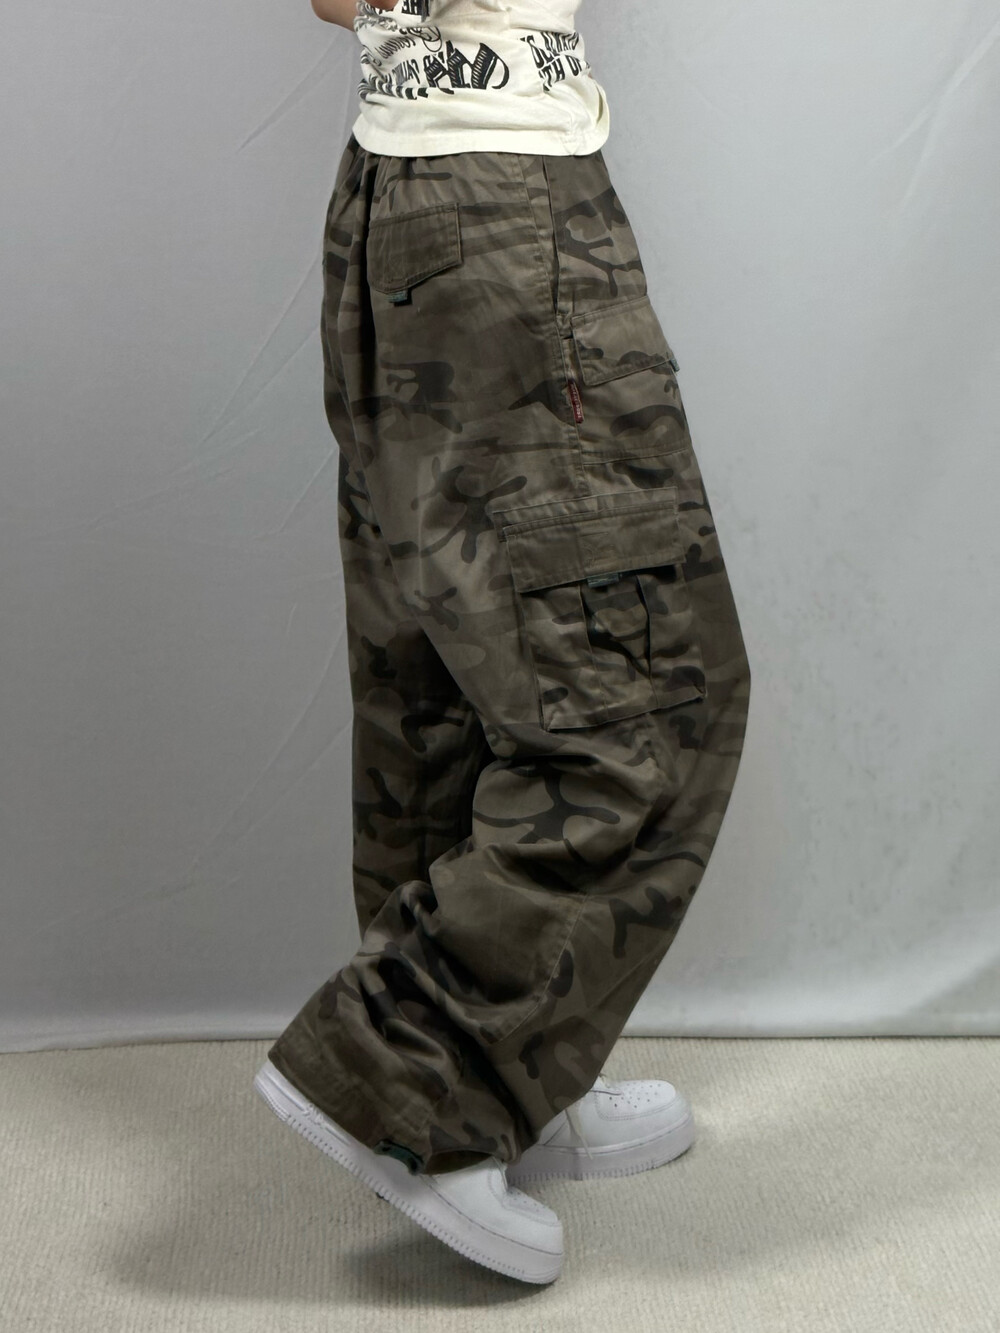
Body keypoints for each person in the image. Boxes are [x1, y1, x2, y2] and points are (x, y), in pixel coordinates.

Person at [254, 0, 751, 1285]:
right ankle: (415, 1076)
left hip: (422, 190)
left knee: (449, 684)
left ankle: (496, 1090)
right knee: (643, 699)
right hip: (495, 199)